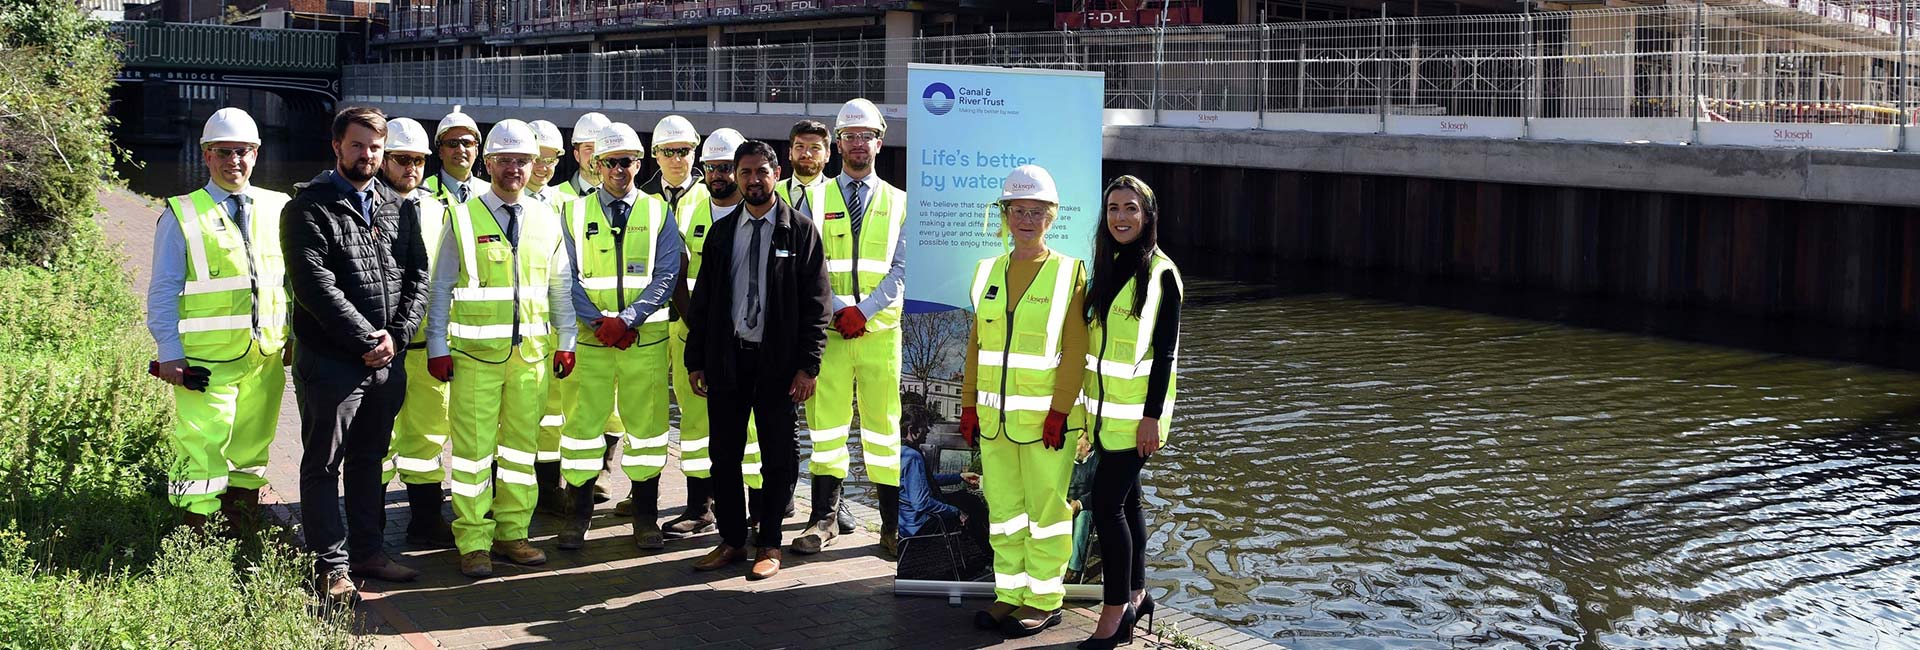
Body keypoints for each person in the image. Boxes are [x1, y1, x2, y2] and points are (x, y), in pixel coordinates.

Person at [283, 106, 432, 602]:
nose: (367, 155)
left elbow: (418, 276)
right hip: (331, 362)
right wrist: (368, 340)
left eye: (375, 147)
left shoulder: (399, 204)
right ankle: (330, 566)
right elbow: (314, 286)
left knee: (370, 459)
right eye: (357, 145)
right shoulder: (308, 207)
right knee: (323, 464)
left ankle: (369, 552)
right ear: (336, 146)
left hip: (387, 361)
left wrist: (400, 334)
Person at [424, 119, 580, 579]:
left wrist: (566, 341)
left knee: (519, 452)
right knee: (473, 455)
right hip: (474, 357)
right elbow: (440, 287)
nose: (513, 169)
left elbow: (560, 287)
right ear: (488, 163)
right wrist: (436, 344)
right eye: (505, 160)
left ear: (535, 165)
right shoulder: (463, 216)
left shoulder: (548, 218)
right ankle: (474, 540)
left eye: (522, 161)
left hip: (530, 356)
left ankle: (514, 533)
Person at [683, 140, 830, 580]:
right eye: (744, 172)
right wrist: (697, 360)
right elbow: (704, 301)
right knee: (723, 456)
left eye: (760, 172)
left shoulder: (799, 231)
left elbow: (816, 305)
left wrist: (809, 366)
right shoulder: (723, 232)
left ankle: (769, 543)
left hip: (778, 366)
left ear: (776, 173)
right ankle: (730, 539)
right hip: (728, 362)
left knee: (777, 459)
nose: (752, 180)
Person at [145, 107, 291, 532]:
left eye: (243, 151)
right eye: (224, 152)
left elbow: (291, 281)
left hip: (264, 356)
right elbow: (163, 290)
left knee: (252, 444)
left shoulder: (277, 207)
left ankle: (241, 523)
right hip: (204, 362)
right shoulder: (182, 214)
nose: (235, 161)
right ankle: (197, 535)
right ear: (206, 155)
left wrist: (294, 335)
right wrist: (169, 353)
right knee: (202, 444)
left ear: (257, 154)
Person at [957, 165, 1087, 638]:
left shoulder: (1071, 271)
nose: (1026, 219)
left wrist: (1060, 410)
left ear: (1051, 216)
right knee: (1005, 509)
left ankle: (1045, 600)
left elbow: (1075, 348)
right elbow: (976, 345)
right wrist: (968, 405)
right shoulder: (986, 271)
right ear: (1005, 215)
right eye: (1018, 210)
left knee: (1047, 515)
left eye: (1036, 211)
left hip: (1046, 424)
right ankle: (1009, 594)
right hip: (994, 422)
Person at [554, 122, 681, 551]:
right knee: (581, 430)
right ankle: (578, 516)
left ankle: (645, 518)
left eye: (626, 161)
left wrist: (627, 320)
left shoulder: (658, 211)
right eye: (609, 162)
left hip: (641, 341)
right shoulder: (571, 212)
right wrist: (597, 323)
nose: (618, 170)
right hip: (592, 344)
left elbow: (667, 275)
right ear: (596, 164)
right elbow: (565, 277)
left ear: (638, 163)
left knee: (646, 433)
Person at [795, 99, 909, 557]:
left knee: (884, 431)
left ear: (880, 143)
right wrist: (842, 309)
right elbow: (809, 264)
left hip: (880, 335)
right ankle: (823, 518)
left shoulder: (901, 202)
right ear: (837, 143)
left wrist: (865, 311)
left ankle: (891, 524)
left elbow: (902, 268)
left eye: (866, 136)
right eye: (849, 136)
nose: (858, 144)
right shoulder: (812, 199)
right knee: (826, 428)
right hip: (831, 335)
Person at [1077, 175, 1182, 650]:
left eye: (1131, 209)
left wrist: (1152, 418)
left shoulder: (1161, 273)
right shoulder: (1105, 265)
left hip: (1137, 418)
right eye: (1114, 208)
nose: (1121, 217)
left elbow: (1165, 356)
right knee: (1130, 503)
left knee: (1106, 505)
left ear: (1148, 216)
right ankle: (1139, 595)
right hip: (1103, 417)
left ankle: (1115, 609)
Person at [650, 124, 768, 536]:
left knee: (750, 430)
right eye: (712, 167)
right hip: (694, 333)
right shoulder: (687, 209)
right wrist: (698, 326)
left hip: (746, 339)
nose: (718, 174)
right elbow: (675, 274)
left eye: (725, 167)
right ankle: (699, 506)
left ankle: (758, 510)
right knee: (696, 424)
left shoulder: (759, 209)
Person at [375, 117, 457, 550]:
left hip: (427, 346)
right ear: (384, 159)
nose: (411, 168)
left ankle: (424, 520)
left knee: (427, 436)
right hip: (380, 348)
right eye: (402, 159)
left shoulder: (440, 212)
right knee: (378, 438)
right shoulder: (365, 206)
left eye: (419, 160)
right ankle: (368, 527)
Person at [897, 427, 986, 544]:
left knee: (965, 498)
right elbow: (921, 503)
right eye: (924, 426)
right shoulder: (913, 456)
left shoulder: (901, 451)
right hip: (919, 524)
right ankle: (988, 551)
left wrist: (960, 477)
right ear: (912, 429)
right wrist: (956, 512)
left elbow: (925, 480)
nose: (928, 430)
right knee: (972, 502)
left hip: (905, 520)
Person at [422, 107, 485, 205]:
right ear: (440, 151)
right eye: (452, 143)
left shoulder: (490, 192)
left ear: (476, 150)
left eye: (467, 143)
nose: (460, 149)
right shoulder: (423, 193)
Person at [551, 112, 612, 202]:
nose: (595, 155)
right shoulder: (555, 196)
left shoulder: (622, 196)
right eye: (588, 148)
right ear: (577, 155)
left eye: (600, 148)